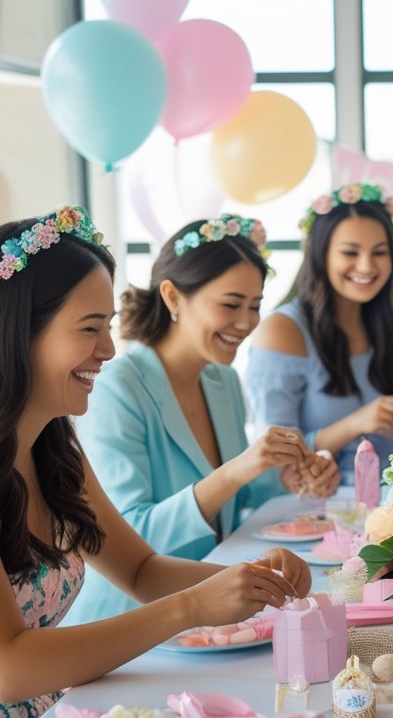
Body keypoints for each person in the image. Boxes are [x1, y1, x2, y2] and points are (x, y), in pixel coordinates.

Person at [0, 208, 311, 718]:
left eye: (109, 327)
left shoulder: (52, 445)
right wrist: (193, 607)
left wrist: (250, 579)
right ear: (18, 333)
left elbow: (139, 568)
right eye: (90, 328)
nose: (109, 350)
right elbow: (7, 669)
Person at [68, 215, 336, 625]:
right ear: (173, 297)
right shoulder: (118, 387)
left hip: (212, 613)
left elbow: (232, 501)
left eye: (255, 306)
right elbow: (135, 535)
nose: (247, 323)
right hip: (134, 619)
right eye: (231, 304)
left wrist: (285, 476)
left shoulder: (222, 380)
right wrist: (238, 469)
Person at [246, 183, 393, 484]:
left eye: (380, 252)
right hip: (314, 506)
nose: (366, 266)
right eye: (350, 252)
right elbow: (272, 460)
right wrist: (355, 423)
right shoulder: (283, 331)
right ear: (320, 254)